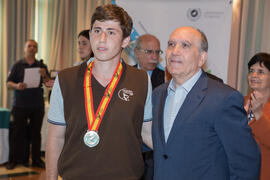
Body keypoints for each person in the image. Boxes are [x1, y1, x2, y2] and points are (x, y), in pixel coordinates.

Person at [46, 4, 152, 180]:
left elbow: (147, 132)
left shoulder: (141, 80)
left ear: (125, 40)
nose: (102, 39)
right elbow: (55, 138)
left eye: (111, 32)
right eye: (97, 30)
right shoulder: (65, 80)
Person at [151, 26, 261, 180]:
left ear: (202, 58)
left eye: (185, 45)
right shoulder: (158, 94)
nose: (175, 51)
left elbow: (246, 162)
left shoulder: (223, 98)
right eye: (171, 44)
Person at [6, 39, 49, 169]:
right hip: (20, 105)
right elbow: (8, 83)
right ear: (25, 49)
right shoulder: (17, 65)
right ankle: (15, 160)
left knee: (36, 133)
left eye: (34, 46)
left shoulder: (41, 66)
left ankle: (36, 160)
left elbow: (48, 82)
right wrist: (17, 85)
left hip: (37, 104)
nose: (31, 48)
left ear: (36, 50)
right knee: (18, 133)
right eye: (29, 46)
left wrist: (45, 75)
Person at [133, 34, 164, 180]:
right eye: (149, 52)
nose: (154, 57)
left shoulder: (167, 79)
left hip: (154, 150)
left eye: (157, 52)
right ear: (137, 52)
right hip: (129, 146)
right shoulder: (124, 77)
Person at [244, 52, 270, 180]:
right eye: (251, 71)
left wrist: (259, 114)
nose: (254, 75)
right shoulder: (237, 102)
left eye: (261, 72)